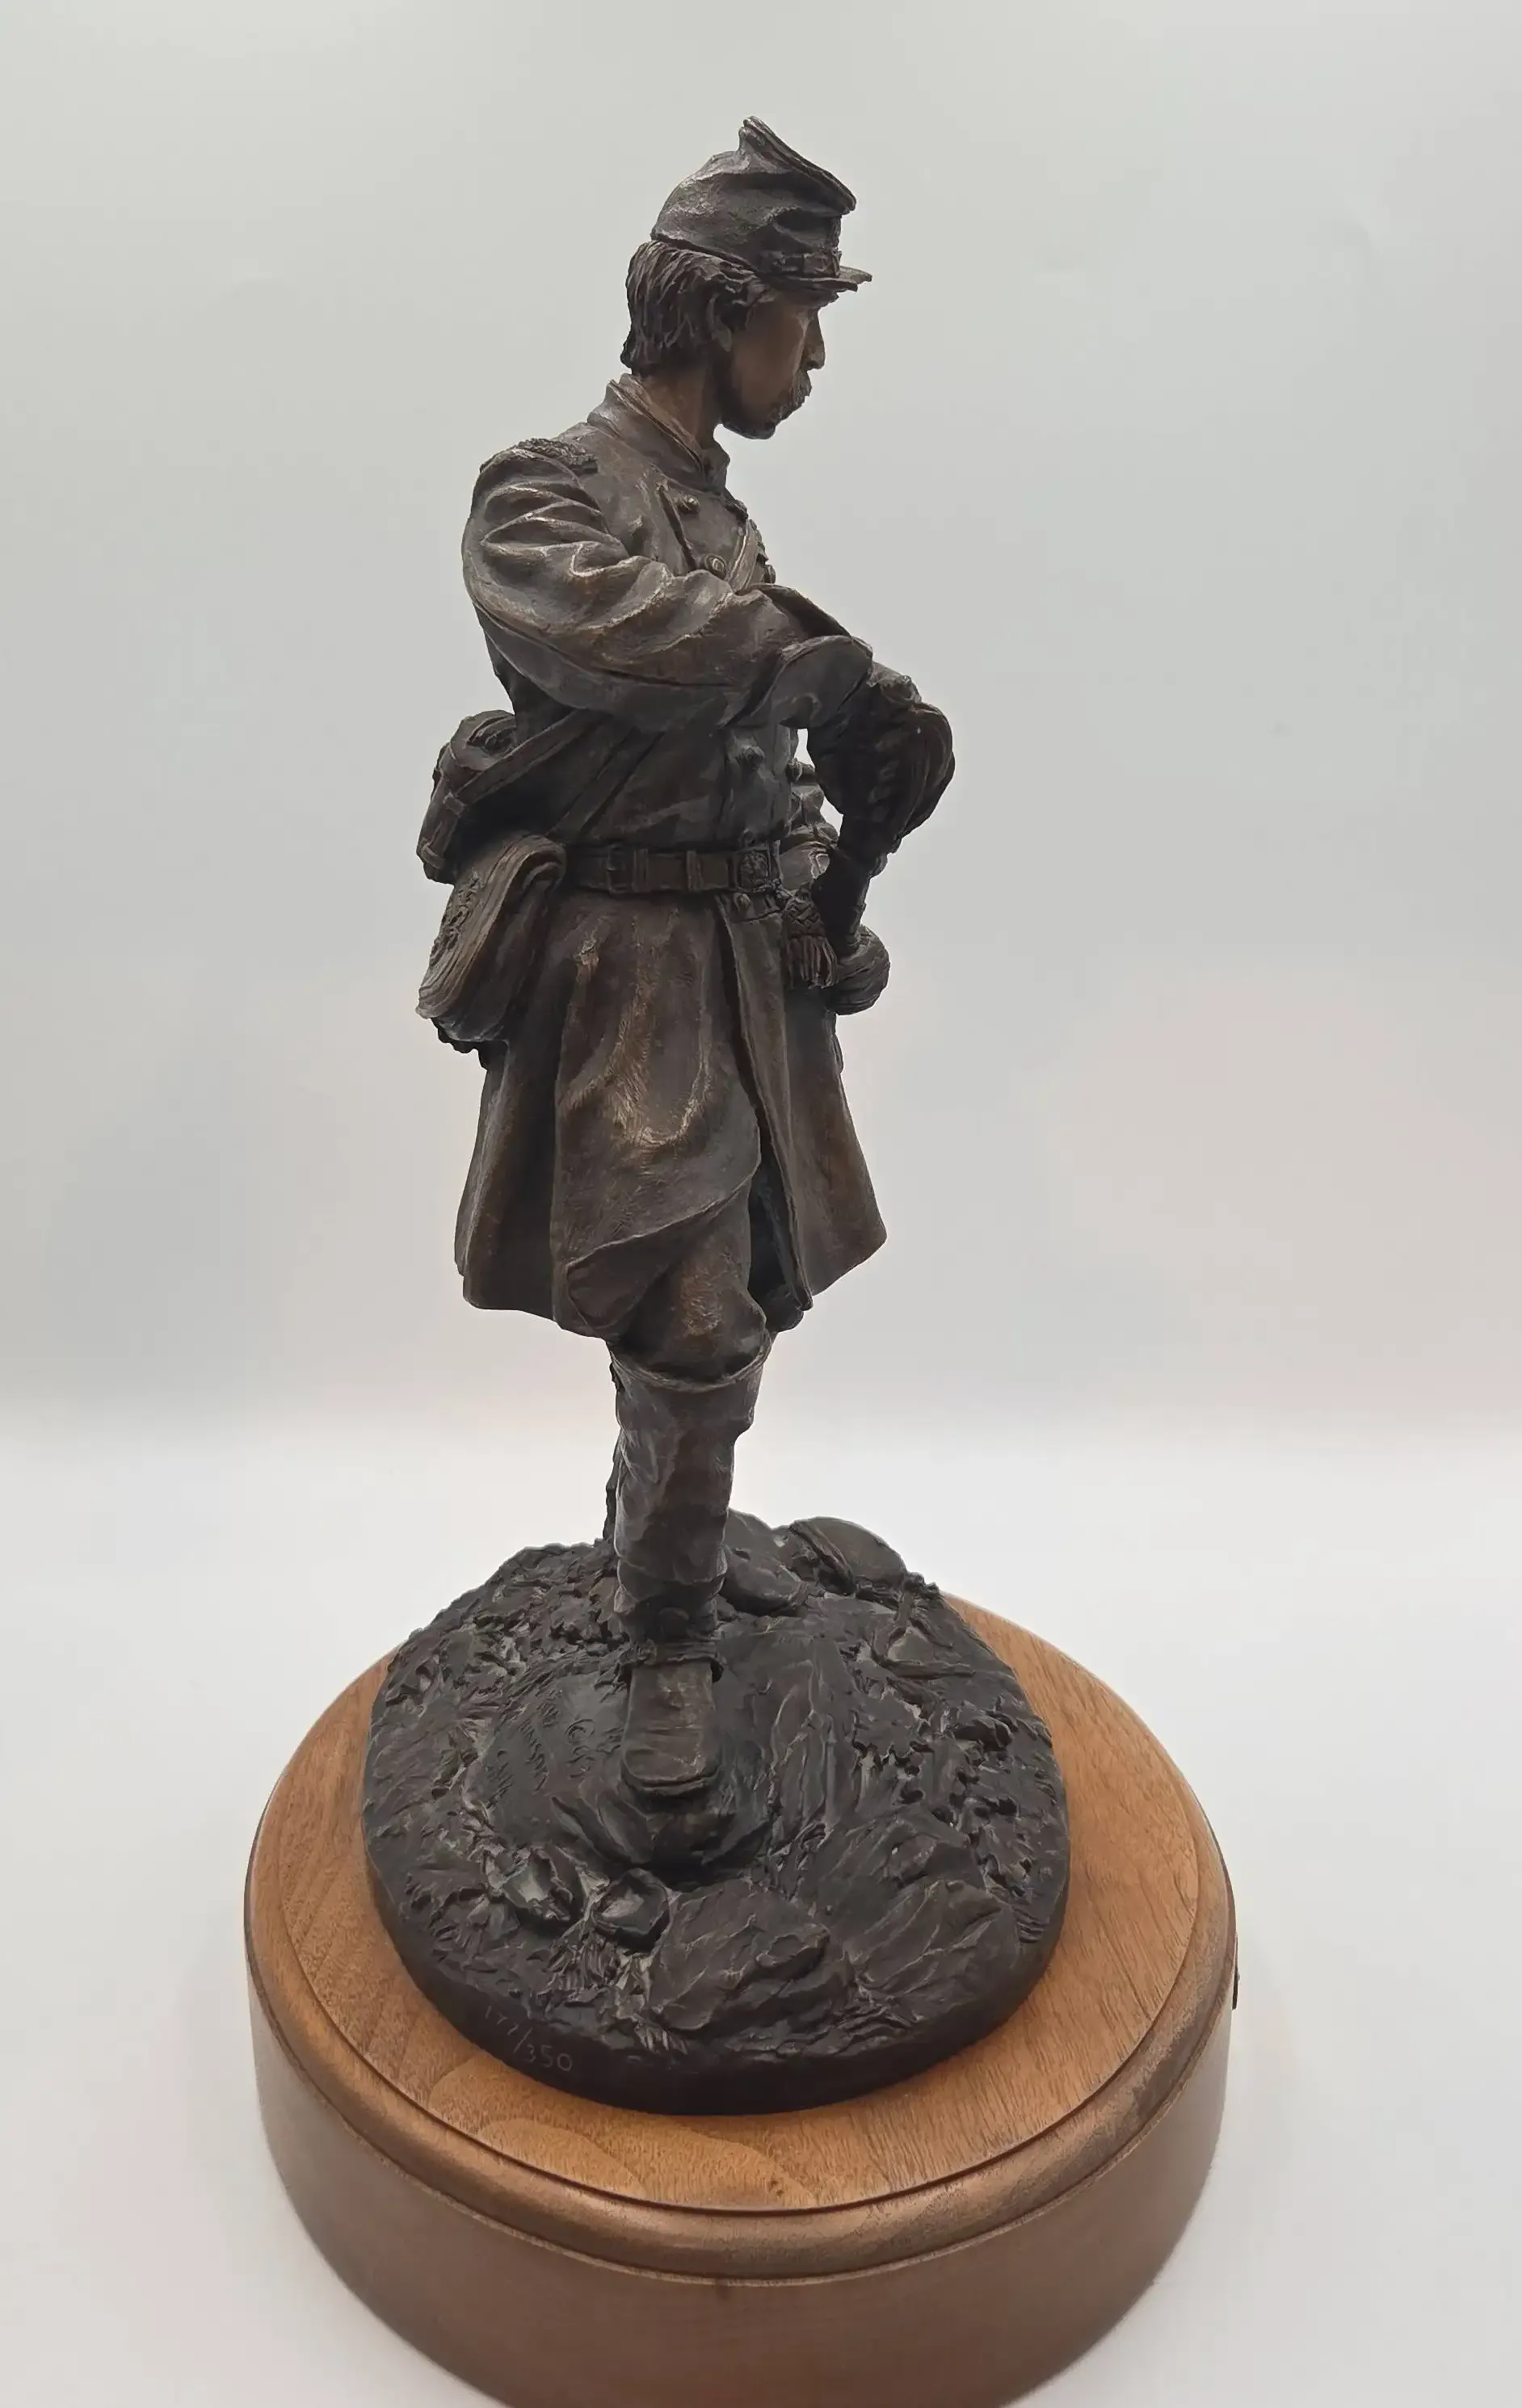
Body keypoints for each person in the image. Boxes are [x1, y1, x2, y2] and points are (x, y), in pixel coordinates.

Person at [426, 119, 939, 1801]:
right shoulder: (544, 491)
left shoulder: (723, 516)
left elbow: (745, 761)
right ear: (721, 311)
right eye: (804, 318)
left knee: (740, 1302)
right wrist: (821, 665)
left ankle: (664, 1534)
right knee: (697, 1317)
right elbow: (632, 650)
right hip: (631, 974)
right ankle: (663, 1639)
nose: (817, 359)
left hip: (740, 960)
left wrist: (826, 880)